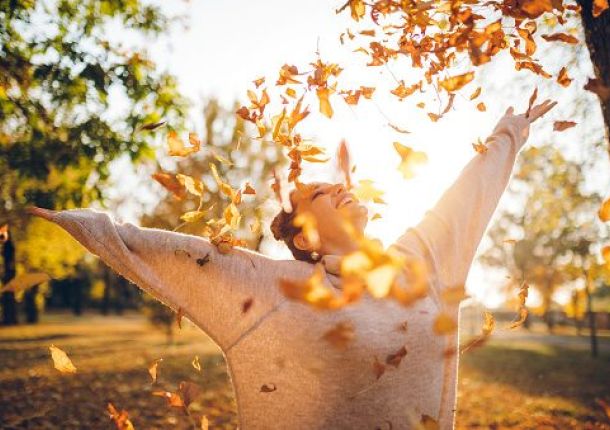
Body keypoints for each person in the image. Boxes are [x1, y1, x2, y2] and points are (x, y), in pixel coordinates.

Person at [30, 100, 556, 429]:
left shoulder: (423, 261)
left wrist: (511, 130)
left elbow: (466, 197)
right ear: (303, 234)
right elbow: (167, 253)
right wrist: (70, 220)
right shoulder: (278, 288)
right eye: (323, 192)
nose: (340, 188)